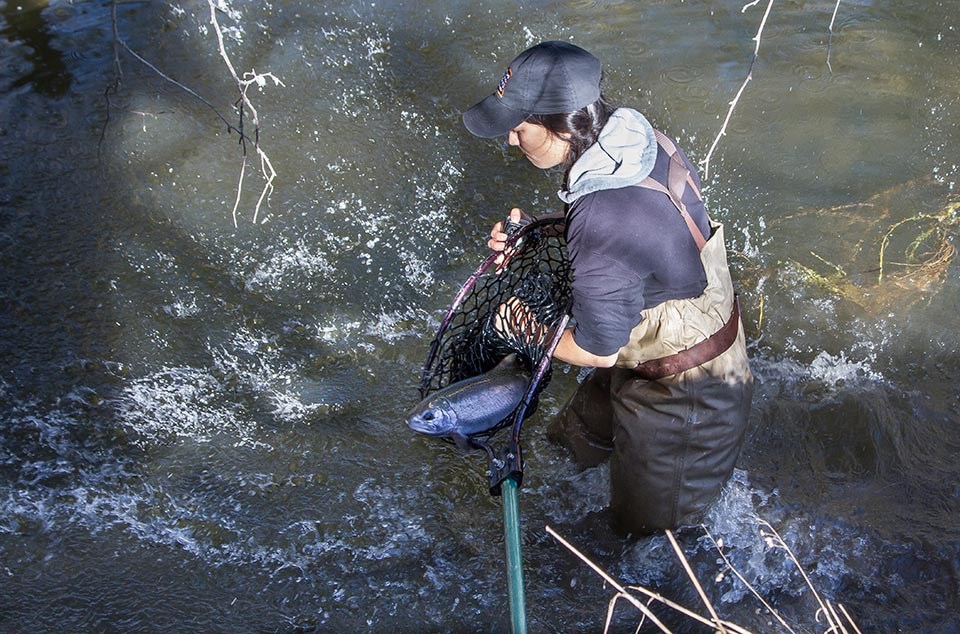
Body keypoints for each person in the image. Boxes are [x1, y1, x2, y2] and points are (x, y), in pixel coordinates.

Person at [462, 41, 754, 535]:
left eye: (519, 128)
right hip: (667, 328)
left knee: (645, 538)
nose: (511, 141)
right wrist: (542, 230)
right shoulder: (635, 137)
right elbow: (639, 228)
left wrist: (520, 325)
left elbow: (598, 350)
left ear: (559, 125)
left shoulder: (602, 220)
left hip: (687, 389)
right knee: (565, 446)